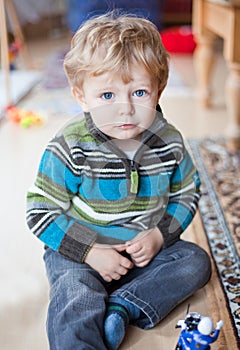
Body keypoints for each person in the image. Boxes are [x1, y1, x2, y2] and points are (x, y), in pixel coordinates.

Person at [26, 12, 212, 350]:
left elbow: (186, 194)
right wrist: (90, 252)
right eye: (107, 96)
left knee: (195, 263)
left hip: (143, 254)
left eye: (139, 92)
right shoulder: (71, 144)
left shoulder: (169, 141)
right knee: (75, 297)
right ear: (81, 95)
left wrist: (158, 236)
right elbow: (40, 212)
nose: (125, 109)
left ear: (160, 89)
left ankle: (124, 306)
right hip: (80, 253)